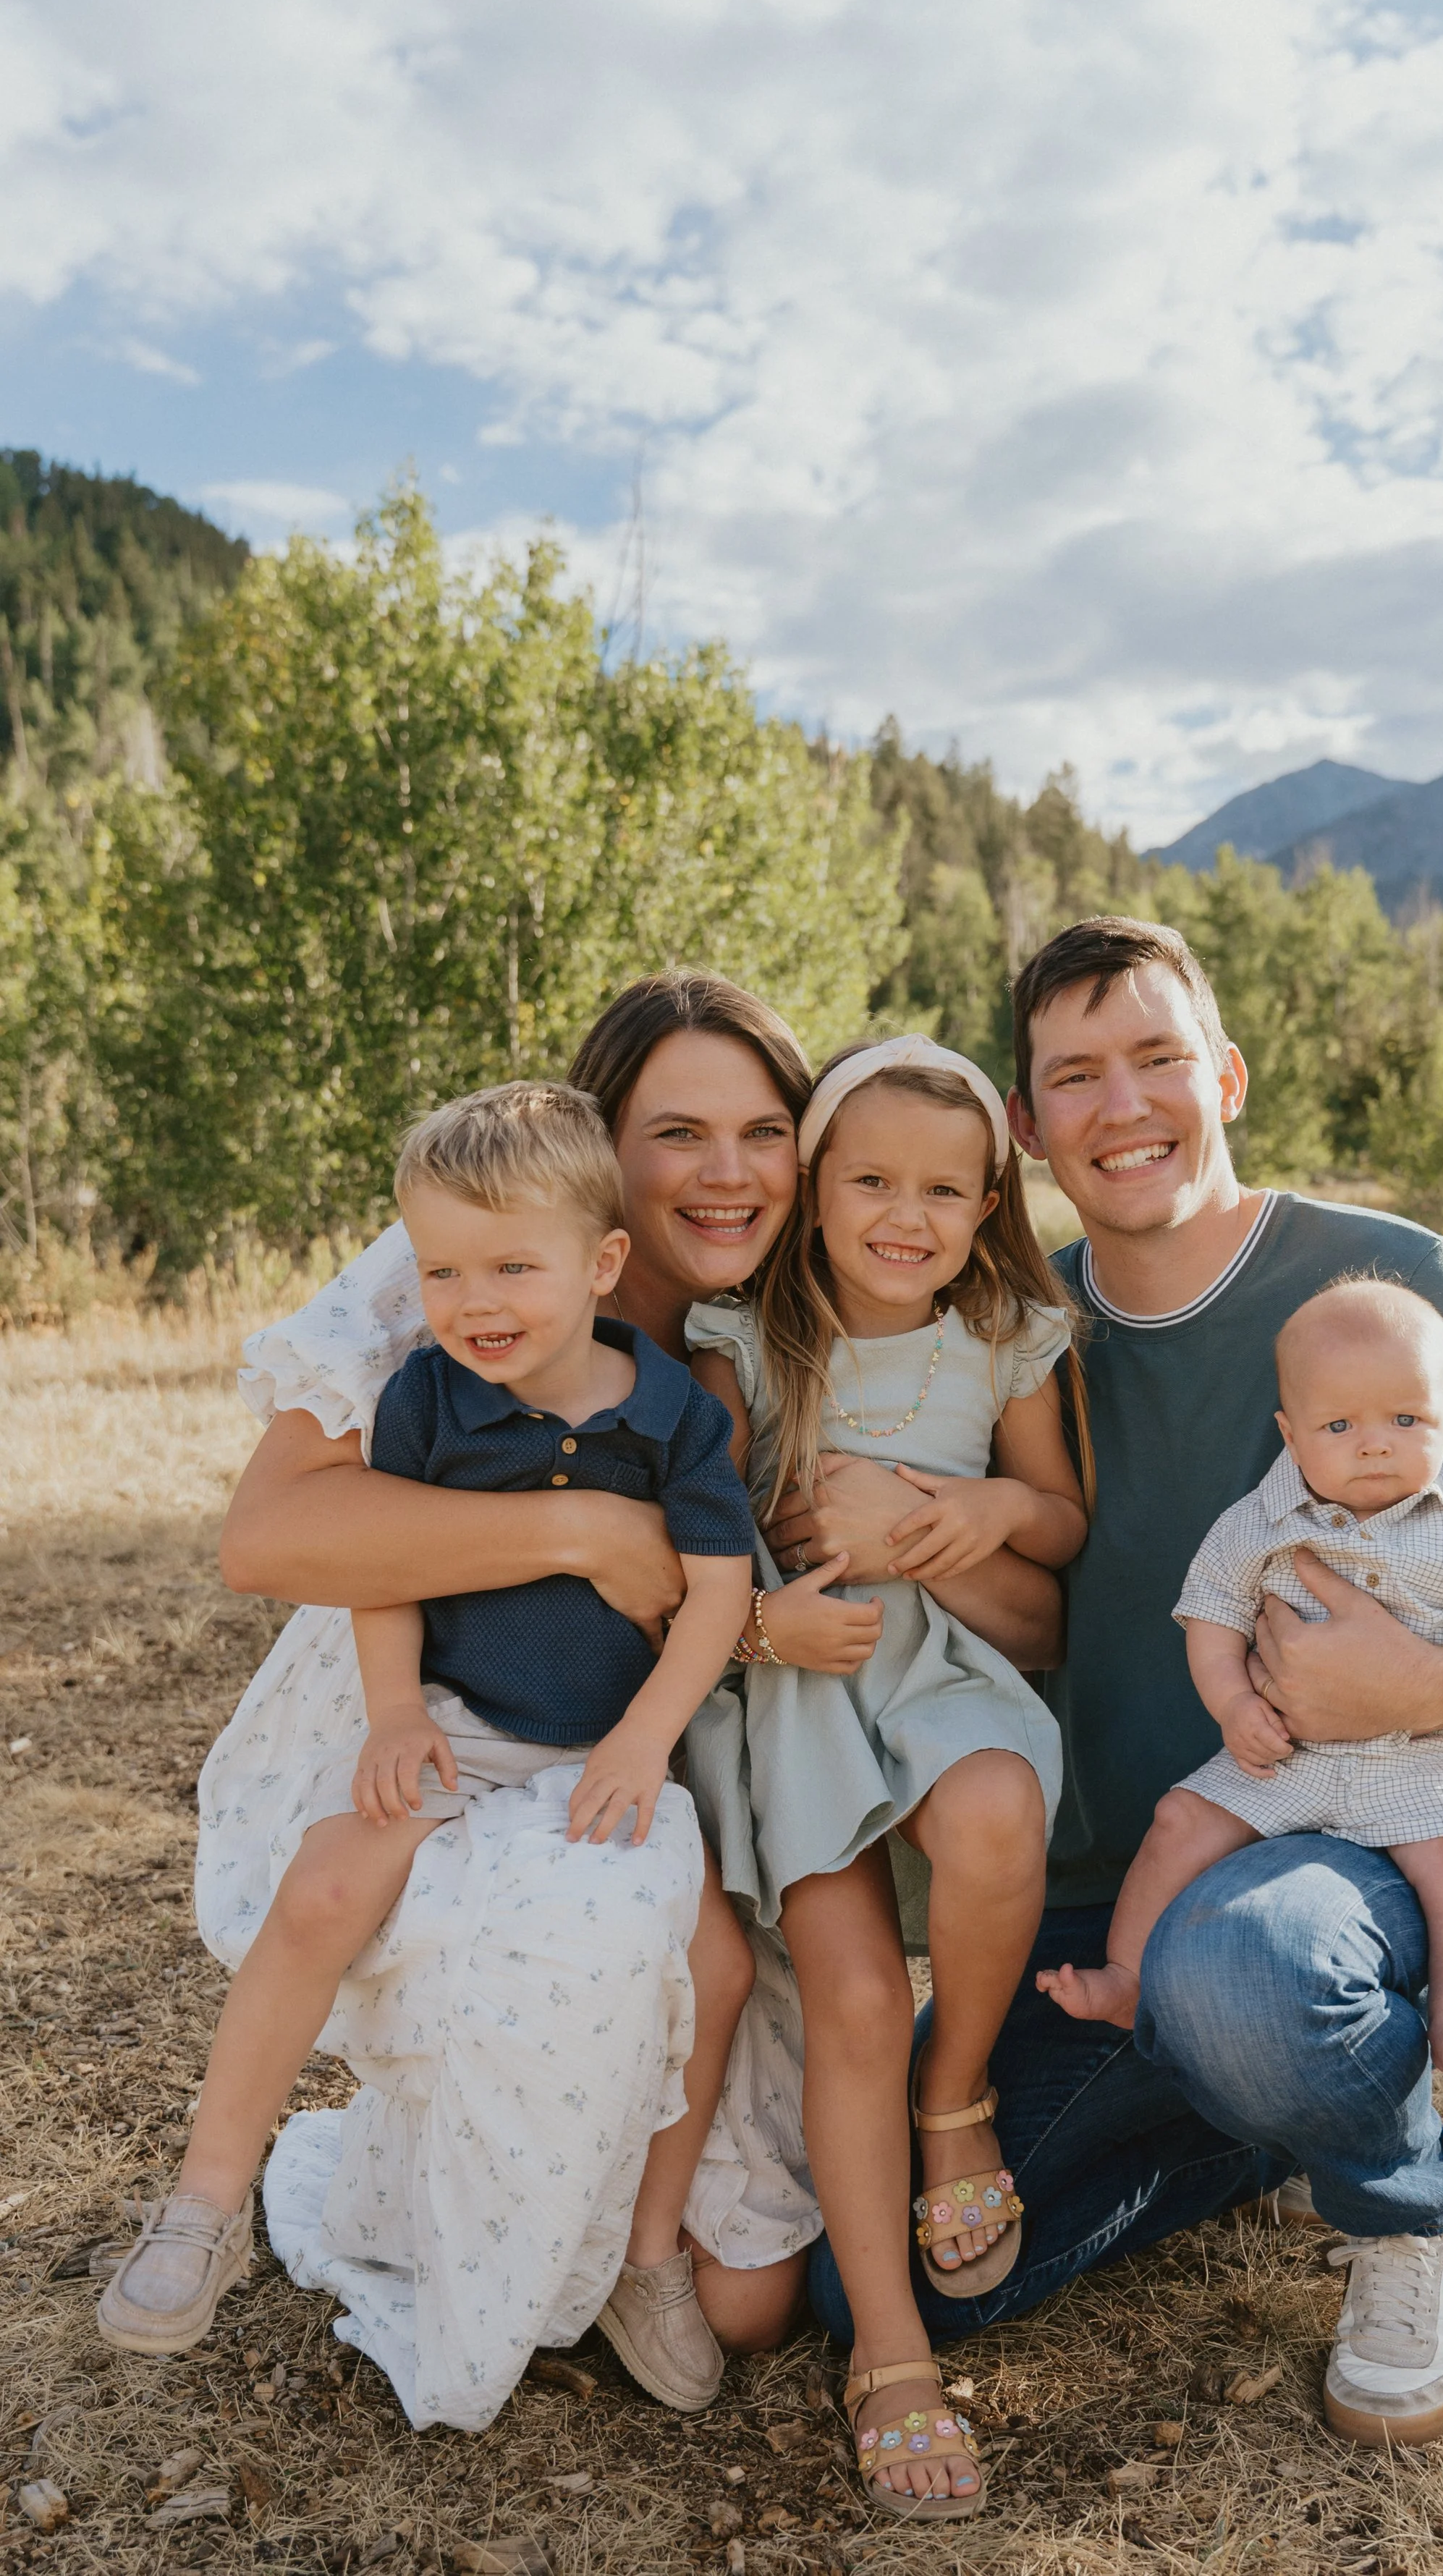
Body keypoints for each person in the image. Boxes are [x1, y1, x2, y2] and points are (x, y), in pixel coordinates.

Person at [801, 916, 1443, 2453]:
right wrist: (909, 1529)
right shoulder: (1009, 1329)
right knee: (872, 2289)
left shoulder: (1394, 1284)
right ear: (1023, 1123)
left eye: (1157, 1059)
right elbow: (1031, 1616)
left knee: (1247, 1969)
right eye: (1075, 1076)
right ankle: (1263, 2113)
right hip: (1114, 1895)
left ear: (1228, 1076)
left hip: (1377, 1843)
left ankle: (1398, 2208)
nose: (1121, 1106)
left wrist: (1420, 1682)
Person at [190, 973, 1059, 2433]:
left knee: (751, 2301)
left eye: (763, 1132)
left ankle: (618, 2218)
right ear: (602, 1146)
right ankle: (464, 2174)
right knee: (551, 1960)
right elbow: (265, 1538)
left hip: (697, 1749)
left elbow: (1010, 1607)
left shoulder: (793, 1306)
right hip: (471, 1714)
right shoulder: (481, 1255)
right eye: (677, 1133)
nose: (728, 1173)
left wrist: (927, 1529)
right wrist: (583, 1530)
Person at [102, 1080, 761, 2410]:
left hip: (610, 1746)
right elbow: (384, 1566)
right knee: (324, 1888)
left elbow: (719, 1592)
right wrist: (396, 1710)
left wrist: (646, 1739)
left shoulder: (678, 1413)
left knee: (717, 1962)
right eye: (444, 1271)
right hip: (458, 1722)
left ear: (603, 1264)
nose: (475, 1300)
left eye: (512, 1266)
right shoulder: (426, 1400)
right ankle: (204, 2200)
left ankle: (646, 2257)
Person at [689, 1035, 1087, 2517]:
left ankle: (955, 2091)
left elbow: (1058, 1522)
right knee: (854, 1995)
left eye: (941, 1189)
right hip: (797, 1681)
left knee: (996, 1811)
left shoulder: (1005, 1337)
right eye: (868, 1181)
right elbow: (696, 1530)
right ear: (812, 1187)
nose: (904, 1216)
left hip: (936, 1660)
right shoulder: (743, 1340)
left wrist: (979, 1508)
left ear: (989, 1204)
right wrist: (760, 1607)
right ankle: (891, 2352)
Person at [1040, 1274, 1443, 2094]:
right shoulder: (1255, 1526)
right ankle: (1126, 1975)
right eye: (1339, 1425)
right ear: (1289, 1434)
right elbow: (1211, 1620)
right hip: (1283, 1756)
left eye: (1406, 1421)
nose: (1374, 1446)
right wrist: (1235, 1705)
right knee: (1180, 1820)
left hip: (1414, 1758)